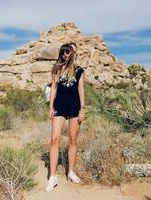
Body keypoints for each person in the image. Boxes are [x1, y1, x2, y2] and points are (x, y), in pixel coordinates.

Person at [45, 43, 85, 192]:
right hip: (59, 107)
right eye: (62, 52)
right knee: (54, 139)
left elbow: (81, 90)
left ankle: (71, 172)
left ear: (72, 53)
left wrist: (82, 109)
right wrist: (50, 107)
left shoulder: (79, 70)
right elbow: (53, 88)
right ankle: (52, 177)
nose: (65, 54)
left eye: (67, 52)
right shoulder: (56, 69)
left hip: (74, 107)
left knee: (73, 140)